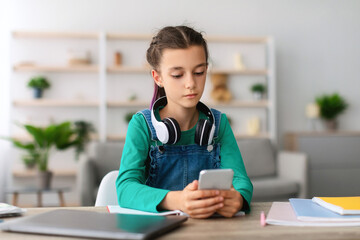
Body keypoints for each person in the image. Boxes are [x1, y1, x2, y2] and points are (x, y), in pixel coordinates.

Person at [116, 25, 253, 219]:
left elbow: (241, 180)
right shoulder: (141, 125)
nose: (190, 83)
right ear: (158, 77)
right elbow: (125, 189)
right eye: (178, 75)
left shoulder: (219, 124)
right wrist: (178, 201)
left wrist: (238, 199)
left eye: (199, 72)